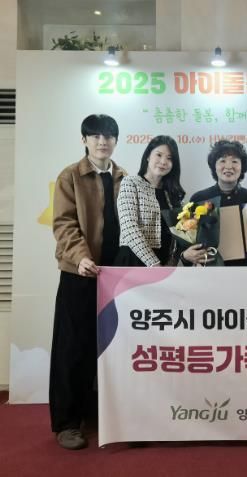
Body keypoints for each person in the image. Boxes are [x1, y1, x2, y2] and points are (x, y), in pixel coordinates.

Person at [50, 114, 126, 450]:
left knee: (114, 347)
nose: (102, 141)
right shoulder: (70, 176)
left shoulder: (125, 178)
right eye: (95, 136)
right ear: (84, 140)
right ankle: (68, 423)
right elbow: (64, 224)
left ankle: (105, 415)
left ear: (115, 141)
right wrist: (81, 257)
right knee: (74, 349)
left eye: (108, 136)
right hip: (80, 273)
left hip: (117, 277)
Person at [115, 135, 206, 267]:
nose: (163, 162)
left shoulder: (173, 195)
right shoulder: (130, 183)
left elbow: (179, 239)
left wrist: (172, 262)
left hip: (164, 266)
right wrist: (154, 265)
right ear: (148, 156)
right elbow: (129, 228)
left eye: (169, 158)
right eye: (159, 155)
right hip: (133, 262)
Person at [189, 140, 247, 265]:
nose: (228, 166)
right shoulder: (199, 198)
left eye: (234, 161)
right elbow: (189, 240)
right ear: (214, 166)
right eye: (222, 161)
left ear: (242, 167)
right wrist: (188, 255)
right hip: (211, 269)